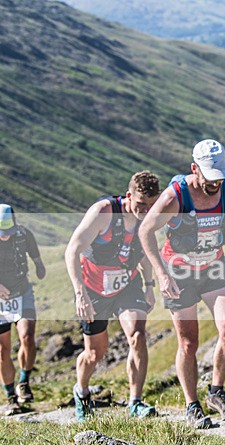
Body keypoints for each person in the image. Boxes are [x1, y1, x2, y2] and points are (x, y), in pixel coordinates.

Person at [139, 139, 225, 429]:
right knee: (189, 343)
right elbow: (145, 231)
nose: (215, 184)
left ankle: (216, 392)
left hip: (214, 267)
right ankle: (192, 404)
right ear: (194, 169)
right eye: (209, 177)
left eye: (219, 177)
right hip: (179, 274)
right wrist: (161, 274)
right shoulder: (174, 197)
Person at [65, 171, 161, 421]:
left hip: (127, 284)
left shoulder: (148, 218)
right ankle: (82, 392)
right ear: (129, 196)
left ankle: (135, 402)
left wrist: (149, 285)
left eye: (151, 205)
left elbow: (144, 252)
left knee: (138, 336)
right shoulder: (104, 212)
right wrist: (80, 294)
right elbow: (72, 250)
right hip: (93, 288)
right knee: (95, 353)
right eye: (141, 204)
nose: (146, 211)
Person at [0, 204, 46, 415]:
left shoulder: (23, 234)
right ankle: (10, 397)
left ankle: (24, 381)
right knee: (3, 350)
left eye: (8, 231)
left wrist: (39, 266)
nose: (5, 236)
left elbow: (35, 255)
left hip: (22, 292)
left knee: (27, 336)